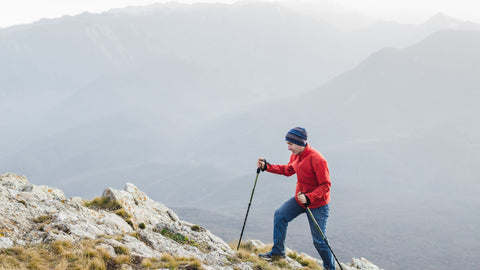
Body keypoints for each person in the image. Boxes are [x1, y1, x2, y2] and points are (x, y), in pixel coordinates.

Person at [257, 127, 336, 270]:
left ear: (300, 143)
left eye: (291, 144)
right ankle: (278, 253)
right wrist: (267, 167)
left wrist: (310, 197)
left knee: (319, 241)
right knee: (280, 215)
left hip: (318, 204)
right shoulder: (296, 155)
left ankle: (330, 268)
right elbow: (287, 170)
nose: (288, 148)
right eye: (287, 144)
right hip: (300, 199)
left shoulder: (317, 159)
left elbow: (326, 185)